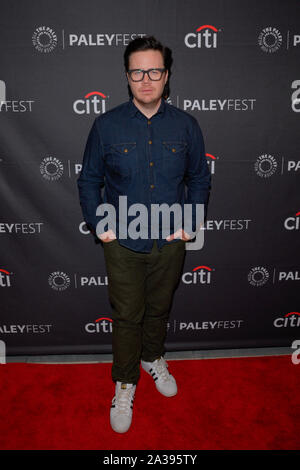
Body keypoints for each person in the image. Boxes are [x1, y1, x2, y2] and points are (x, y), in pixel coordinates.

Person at [77, 36, 211, 433]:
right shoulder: (106, 125)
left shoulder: (187, 125)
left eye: (154, 71)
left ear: (166, 76)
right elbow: (89, 182)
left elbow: (200, 179)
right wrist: (100, 226)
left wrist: (191, 223)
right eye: (138, 71)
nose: (146, 79)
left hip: (171, 241)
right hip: (122, 243)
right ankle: (125, 381)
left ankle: (153, 357)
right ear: (127, 76)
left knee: (159, 308)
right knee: (126, 315)